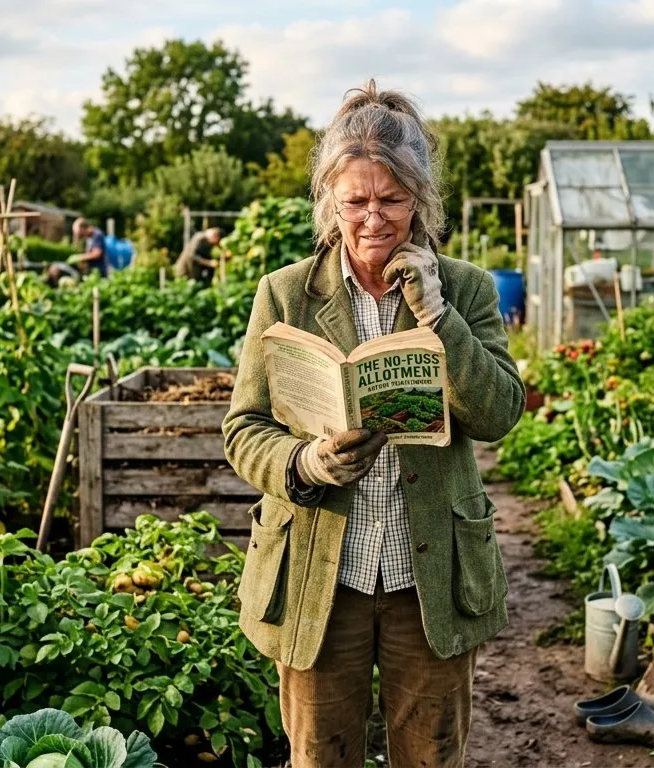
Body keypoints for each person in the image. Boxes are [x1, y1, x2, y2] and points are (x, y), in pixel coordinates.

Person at [222, 80, 524, 768]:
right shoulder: (287, 292)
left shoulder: (466, 288)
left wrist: (438, 317)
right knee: (321, 755)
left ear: (420, 199)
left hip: (430, 577)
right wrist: (304, 464)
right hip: (322, 575)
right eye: (355, 201)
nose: (372, 220)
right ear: (331, 201)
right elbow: (243, 428)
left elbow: (500, 413)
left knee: (431, 754)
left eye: (391, 199)